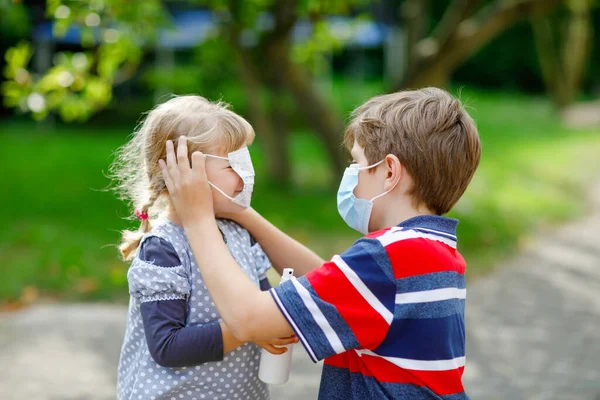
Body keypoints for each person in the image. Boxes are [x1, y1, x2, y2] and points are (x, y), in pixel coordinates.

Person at [160, 88, 481, 399]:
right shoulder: (435, 252)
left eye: (357, 163)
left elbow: (248, 319)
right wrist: (243, 213)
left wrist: (197, 218)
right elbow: (325, 279)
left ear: (390, 172)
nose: (352, 175)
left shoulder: (388, 258)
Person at [111, 95, 297, 400]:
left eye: (246, 160)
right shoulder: (164, 249)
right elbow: (167, 346)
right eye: (232, 164)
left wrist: (273, 323)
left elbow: (261, 304)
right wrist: (248, 328)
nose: (246, 174)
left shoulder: (239, 233)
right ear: (182, 170)